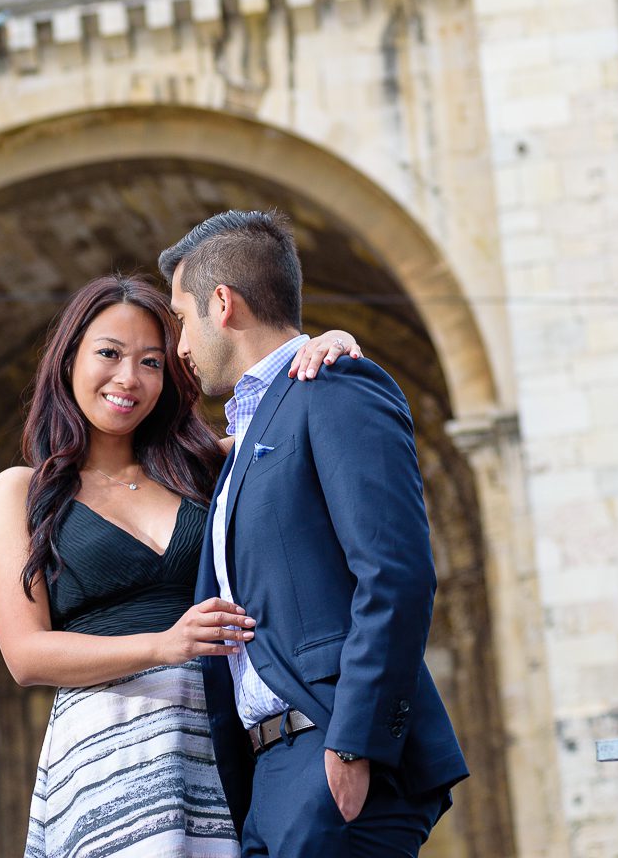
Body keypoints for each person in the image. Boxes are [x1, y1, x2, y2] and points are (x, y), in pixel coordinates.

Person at [0, 273, 360, 858]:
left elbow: (291, 422)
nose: (128, 378)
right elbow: (26, 656)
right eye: (108, 353)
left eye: (152, 362)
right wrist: (166, 644)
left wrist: (327, 344)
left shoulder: (207, 467)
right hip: (107, 750)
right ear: (66, 361)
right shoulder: (20, 492)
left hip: (219, 732)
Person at [159, 211, 469, 858]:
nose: (179, 346)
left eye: (181, 317)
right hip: (267, 776)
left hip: (328, 749)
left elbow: (396, 573)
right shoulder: (253, 430)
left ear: (223, 303)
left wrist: (354, 742)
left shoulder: (334, 388)